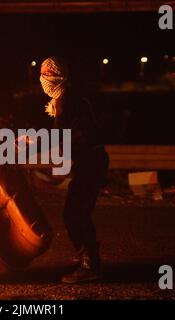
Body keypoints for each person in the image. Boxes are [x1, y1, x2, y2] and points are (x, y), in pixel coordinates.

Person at [39, 57, 109, 283]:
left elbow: (61, 139)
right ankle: (86, 258)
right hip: (92, 161)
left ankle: (90, 265)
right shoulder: (72, 97)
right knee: (77, 212)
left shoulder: (64, 102)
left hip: (90, 163)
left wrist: (34, 146)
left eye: (45, 77)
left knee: (74, 214)